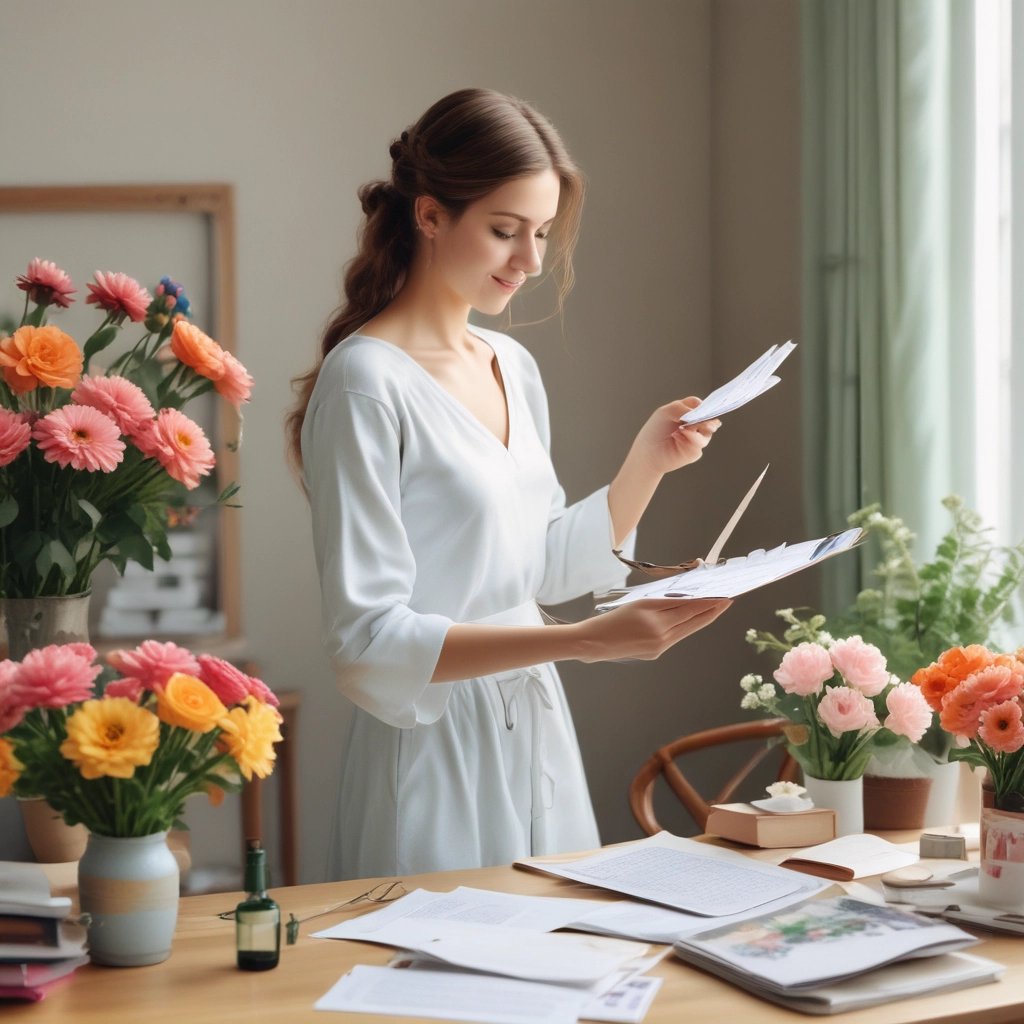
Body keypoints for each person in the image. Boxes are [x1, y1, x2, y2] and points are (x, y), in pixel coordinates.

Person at [286, 88, 731, 880]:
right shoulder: (365, 384)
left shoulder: (511, 366)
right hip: (433, 749)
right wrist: (586, 642)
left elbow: (541, 567)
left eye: (542, 235)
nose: (530, 261)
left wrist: (647, 464)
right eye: (504, 232)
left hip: (536, 731)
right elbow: (366, 642)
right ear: (428, 216)